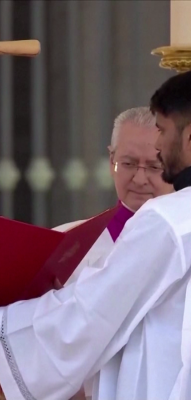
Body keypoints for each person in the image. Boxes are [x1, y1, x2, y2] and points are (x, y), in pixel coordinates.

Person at [0, 70, 191, 399]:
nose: (158, 145)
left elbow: (91, 315)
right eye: (129, 163)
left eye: (162, 131)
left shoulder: (167, 220)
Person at [55, 106, 173, 285]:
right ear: (112, 161)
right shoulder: (62, 244)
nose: (139, 179)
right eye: (128, 163)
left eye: (154, 167)